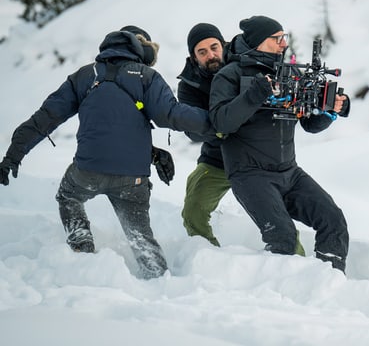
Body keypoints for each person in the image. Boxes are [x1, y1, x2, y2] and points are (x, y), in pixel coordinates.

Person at [0, 26, 216, 279]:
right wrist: (219, 121)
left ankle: (82, 247)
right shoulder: (147, 77)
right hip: (132, 179)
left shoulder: (84, 76)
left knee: (69, 197)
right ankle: (157, 277)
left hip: (87, 171)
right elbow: (174, 115)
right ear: (139, 48)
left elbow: (45, 118)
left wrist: (13, 156)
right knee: (141, 237)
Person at [209, 15, 350, 272]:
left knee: (333, 219)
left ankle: (331, 281)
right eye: (278, 39)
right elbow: (221, 122)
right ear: (259, 41)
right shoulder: (229, 75)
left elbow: (309, 123)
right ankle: (278, 299)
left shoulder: (291, 73)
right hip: (250, 175)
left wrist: (330, 111)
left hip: (289, 172)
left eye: (284, 38)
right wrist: (255, 94)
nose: (284, 45)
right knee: (283, 237)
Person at [177, 23, 305, 255]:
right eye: (202, 52)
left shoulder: (247, 65)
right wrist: (224, 123)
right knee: (193, 209)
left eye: (214, 47)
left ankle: (297, 263)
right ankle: (207, 256)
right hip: (217, 160)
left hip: (257, 161)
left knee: (280, 222)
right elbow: (192, 130)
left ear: (223, 46)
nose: (211, 55)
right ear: (194, 57)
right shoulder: (189, 85)